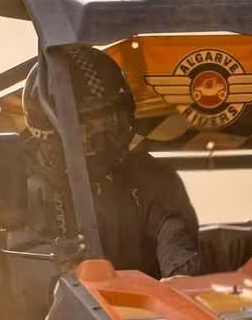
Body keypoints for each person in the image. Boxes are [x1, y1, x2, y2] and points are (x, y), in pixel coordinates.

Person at [19, 45, 201, 278]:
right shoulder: (24, 194)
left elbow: (177, 247)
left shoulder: (151, 181)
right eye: (90, 126)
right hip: (61, 312)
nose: (105, 134)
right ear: (52, 131)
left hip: (147, 311)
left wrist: (179, 283)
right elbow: (26, 287)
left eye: (111, 120)